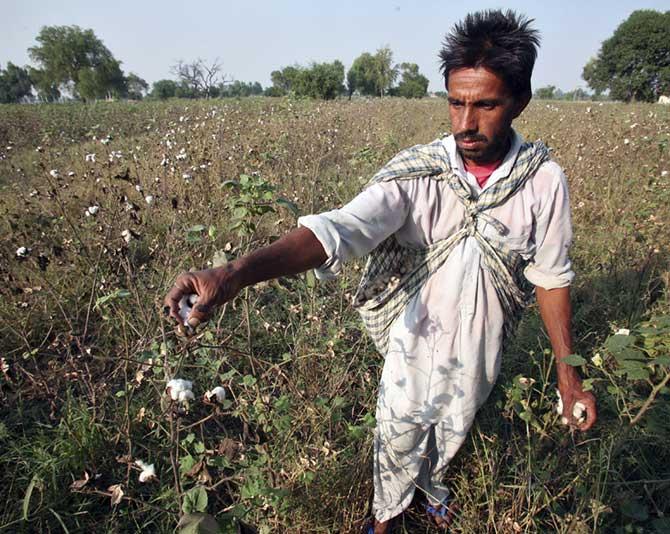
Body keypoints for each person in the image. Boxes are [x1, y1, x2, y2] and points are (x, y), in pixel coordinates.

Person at [164, 9, 597, 532]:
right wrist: (235, 272)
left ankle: (433, 492)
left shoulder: (542, 181)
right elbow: (340, 228)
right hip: (413, 336)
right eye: (456, 103)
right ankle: (387, 517)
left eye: (485, 105)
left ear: (520, 102)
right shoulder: (421, 173)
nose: (465, 123)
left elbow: (551, 277)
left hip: (485, 341)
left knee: (458, 423)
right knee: (397, 429)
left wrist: (567, 378)